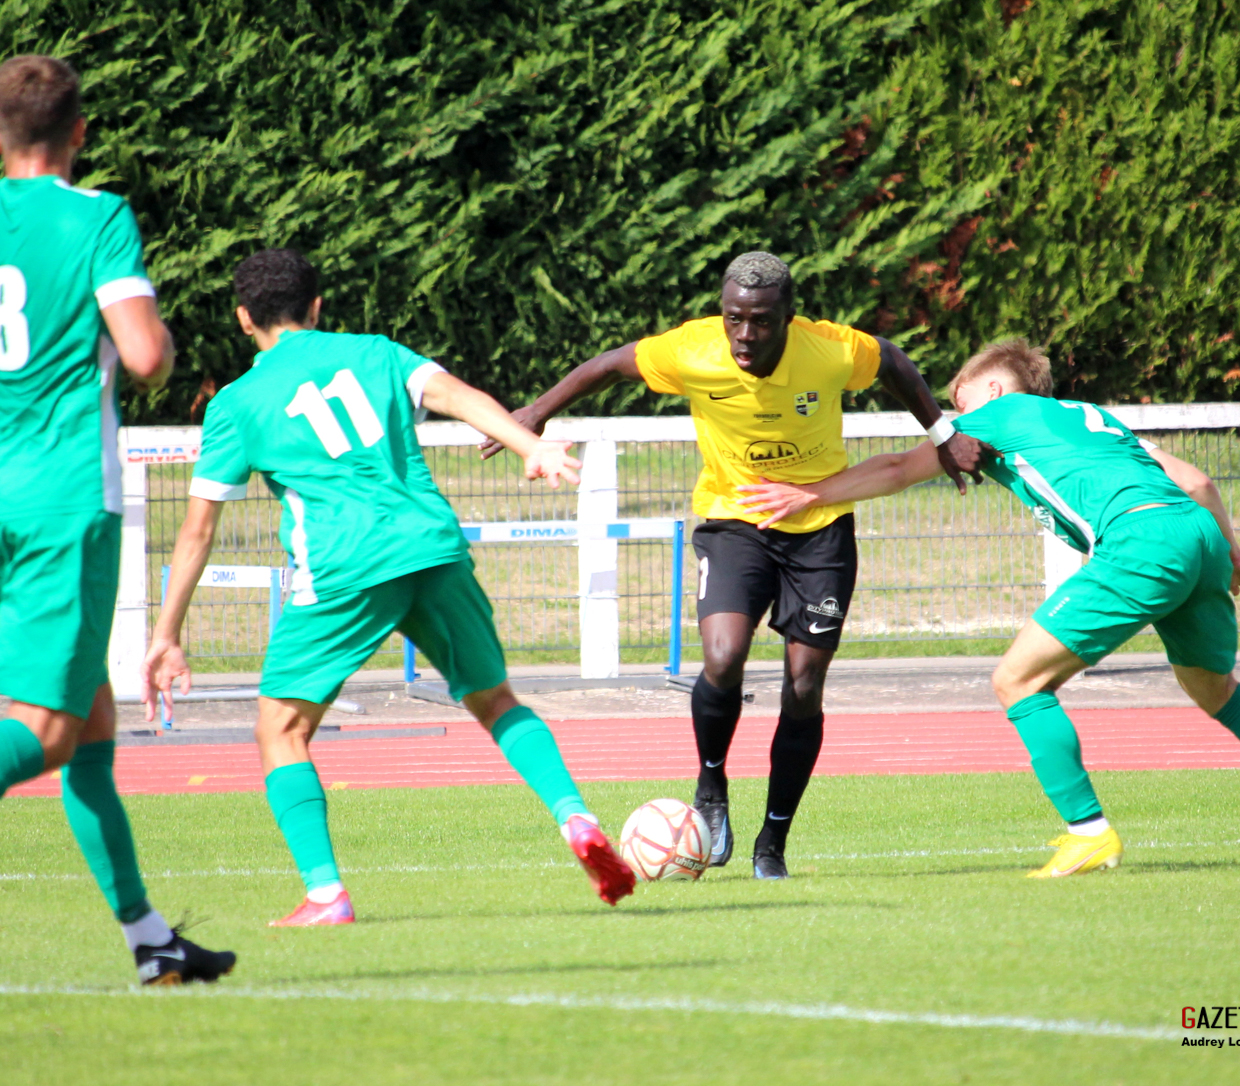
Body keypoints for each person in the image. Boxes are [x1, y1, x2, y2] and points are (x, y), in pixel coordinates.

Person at [737, 337, 1240, 875]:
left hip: (1142, 543)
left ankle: (1089, 834)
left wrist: (808, 495)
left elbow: (901, 467)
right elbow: (1197, 482)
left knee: (1017, 680)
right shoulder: (1092, 416)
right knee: (1215, 688)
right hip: (1197, 537)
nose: (954, 420)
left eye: (959, 402)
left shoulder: (1001, 413)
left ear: (996, 386)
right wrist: (1232, 555)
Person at [143, 248, 635, 924]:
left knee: (280, 729)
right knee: (495, 701)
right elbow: (459, 397)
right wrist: (532, 448)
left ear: (241, 319)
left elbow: (197, 531)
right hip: (431, 544)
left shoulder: (238, 404)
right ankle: (575, 817)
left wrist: (166, 635)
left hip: (345, 566)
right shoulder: (376, 352)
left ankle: (325, 893)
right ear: (318, 308)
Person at [487, 252, 985, 878]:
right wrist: (537, 411)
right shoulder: (693, 350)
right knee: (723, 656)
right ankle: (711, 785)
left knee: (803, 688)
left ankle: (771, 843)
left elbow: (891, 361)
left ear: (789, 318)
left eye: (761, 321)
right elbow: (612, 365)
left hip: (819, 530)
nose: (745, 335)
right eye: (734, 319)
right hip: (733, 520)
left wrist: (942, 435)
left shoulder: (828, 350)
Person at [0, 55, 237, 983]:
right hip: (63, 498)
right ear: (81, 132)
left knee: (92, 725)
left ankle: (151, 943)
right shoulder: (94, 215)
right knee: (50, 732)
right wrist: (169, 344)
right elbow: (143, 356)